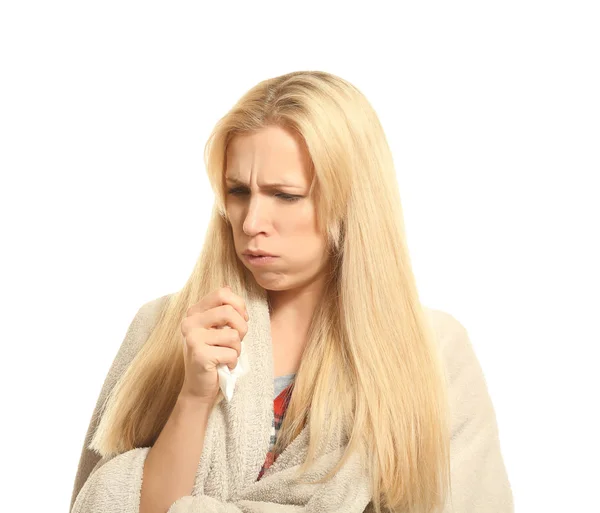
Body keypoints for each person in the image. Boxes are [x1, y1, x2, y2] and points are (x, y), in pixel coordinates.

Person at [69, 71, 514, 513]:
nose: (250, 221)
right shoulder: (166, 328)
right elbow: (119, 504)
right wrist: (193, 397)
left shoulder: (431, 353)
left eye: (284, 195)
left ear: (350, 201)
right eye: (238, 191)